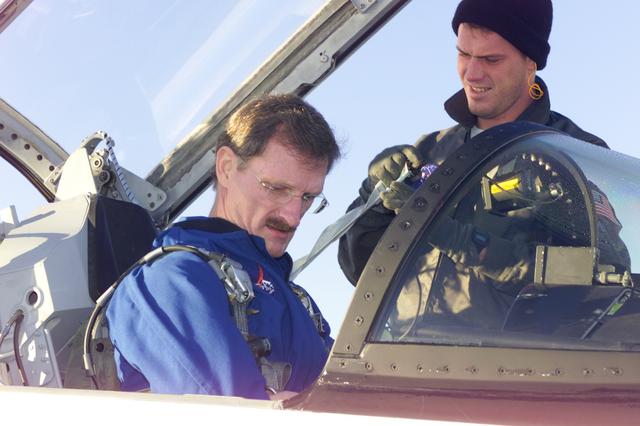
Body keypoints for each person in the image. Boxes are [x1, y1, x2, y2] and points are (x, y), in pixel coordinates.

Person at [338, 0, 610, 286]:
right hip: (400, 332)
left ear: (530, 63)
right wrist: (376, 199)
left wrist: (456, 238)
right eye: (463, 54)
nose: (471, 74)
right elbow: (360, 271)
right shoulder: (429, 151)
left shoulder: (577, 154)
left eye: (491, 60)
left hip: (512, 332)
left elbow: (601, 273)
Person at [105, 94, 340, 399]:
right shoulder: (170, 281)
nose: (294, 216)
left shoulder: (293, 299)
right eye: (277, 188)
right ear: (227, 167)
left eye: (308, 197)